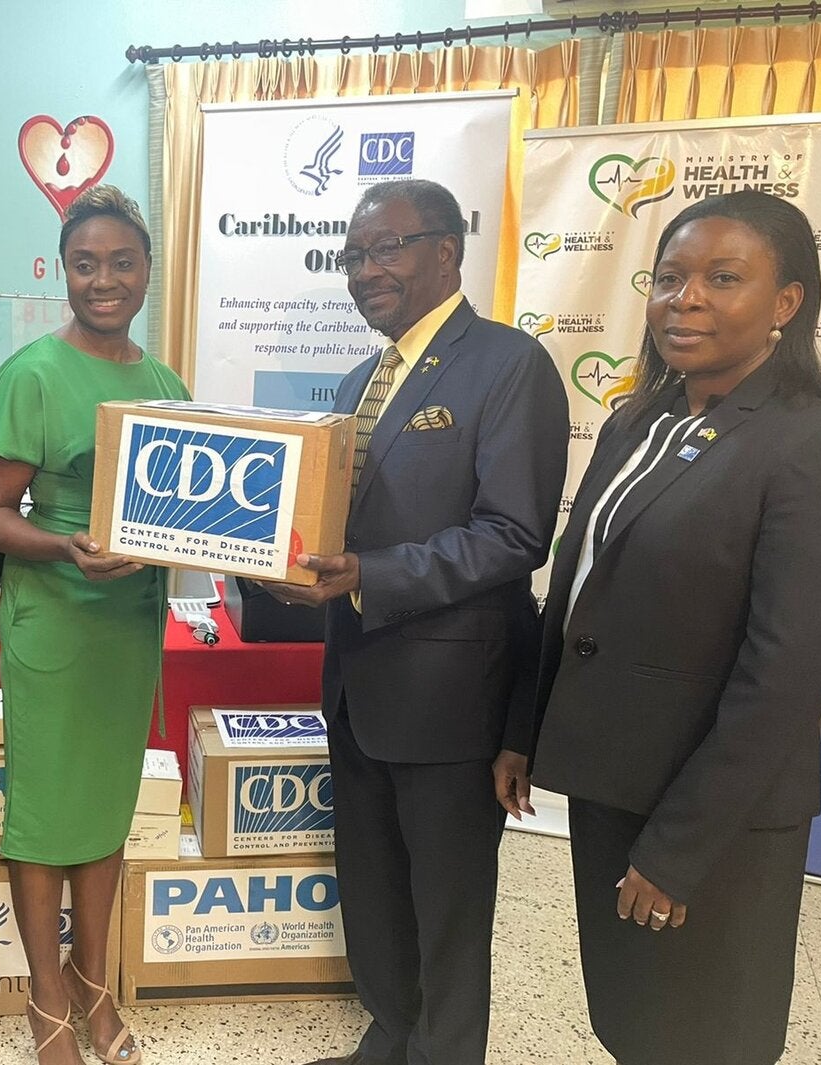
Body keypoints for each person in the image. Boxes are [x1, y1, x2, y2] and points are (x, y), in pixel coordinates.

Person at [494, 191, 821, 1065]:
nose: (687, 298)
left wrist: (678, 848)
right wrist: (527, 728)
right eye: (670, 277)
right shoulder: (640, 419)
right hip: (611, 781)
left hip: (716, 818)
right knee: (632, 1020)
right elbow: (577, 589)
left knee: (708, 1036)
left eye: (722, 278)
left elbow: (785, 678)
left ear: (786, 303)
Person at [268, 179, 569, 1065]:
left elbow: (514, 534)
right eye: (355, 255)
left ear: (447, 250)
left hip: (450, 699)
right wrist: (288, 565)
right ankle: (389, 1037)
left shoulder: (509, 365)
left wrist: (367, 576)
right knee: (373, 889)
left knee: (446, 906)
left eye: (388, 248)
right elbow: (337, 528)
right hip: (358, 689)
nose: (367, 271)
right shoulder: (364, 378)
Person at [0, 185, 188, 1065]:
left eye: (121, 262)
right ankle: (48, 998)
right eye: (85, 264)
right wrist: (66, 548)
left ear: (146, 269)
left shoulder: (165, 381)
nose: (103, 280)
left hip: (128, 627)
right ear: (65, 270)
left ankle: (97, 985)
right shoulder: (33, 372)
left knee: (102, 815)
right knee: (47, 819)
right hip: (56, 622)